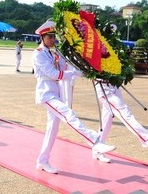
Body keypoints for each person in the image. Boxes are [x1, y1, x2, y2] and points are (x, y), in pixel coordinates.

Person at [32, 20, 116, 174]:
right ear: (42, 38)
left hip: (55, 91)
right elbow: (54, 74)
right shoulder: (38, 54)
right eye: (49, 37)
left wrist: (87, 69)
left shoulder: (55, 52)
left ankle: (42, 161)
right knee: (68, 114)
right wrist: (76, 73)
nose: (52, 39)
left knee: (52, 130)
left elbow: (68, 65)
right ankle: (94, 140)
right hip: (46, 93)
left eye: (53, 36)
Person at [93, 82, 148, 163]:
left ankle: (97, 149)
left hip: (114, 85)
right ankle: (146, 139)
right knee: (124, 113)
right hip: (104, 89)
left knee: (106, 120)